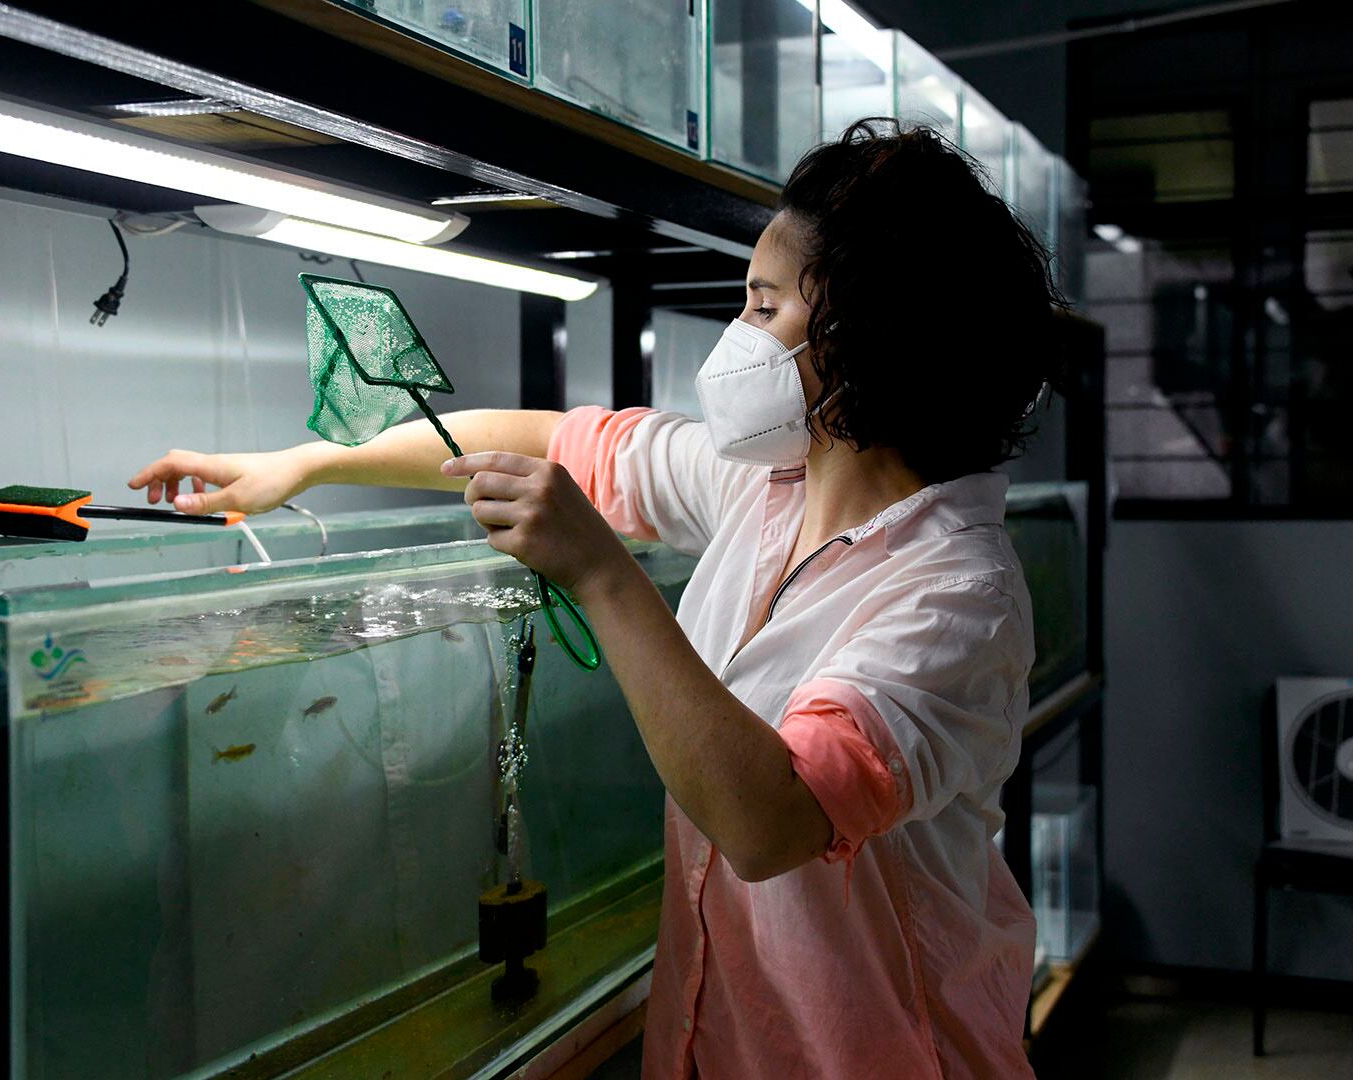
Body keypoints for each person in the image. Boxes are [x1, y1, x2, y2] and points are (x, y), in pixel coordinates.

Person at [129, 119, 1062, 1078]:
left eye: (764, 304)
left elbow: (768, 820)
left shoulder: (957, 591)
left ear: (868, 337)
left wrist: (601, 572)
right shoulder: (763, 485)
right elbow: (541, 440)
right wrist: (308, 464)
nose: (738, 333)